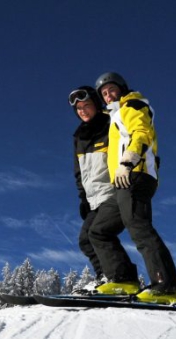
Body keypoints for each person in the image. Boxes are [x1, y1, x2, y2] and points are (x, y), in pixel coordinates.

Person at [89, 71, 176, 305]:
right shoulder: (114, 114)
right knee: (99, 230)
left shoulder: (131, 105)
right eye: (104, 93)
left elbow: (142, 132)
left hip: (135, 174)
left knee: (139, 227)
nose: (108, 95)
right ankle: (123, 280)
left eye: (111, 89)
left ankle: (167, 286)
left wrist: (128, 161)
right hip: (121, 182)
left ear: (121, 88)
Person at [68, 85, 122, 290]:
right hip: (93, 198)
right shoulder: (79, 137)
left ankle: (120, 277)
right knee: (85, 239)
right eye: (78, 108)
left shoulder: (111, 122)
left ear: (96, 105)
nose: (82, 111)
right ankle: (105, 277)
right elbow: (79, 171)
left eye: (86, 105)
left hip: (114, 190)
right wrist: (83, 198)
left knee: (99, 233)